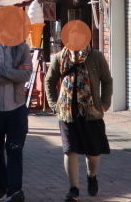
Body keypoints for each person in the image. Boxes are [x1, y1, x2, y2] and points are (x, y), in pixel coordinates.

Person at [45, 29, 113, 202]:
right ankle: (73, 188)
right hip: (67, 112)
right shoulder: (60, 57)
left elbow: (107, 80)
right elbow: (49, 81)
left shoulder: (96, 56)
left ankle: (92, 176)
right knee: (70, 150)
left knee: (93, 153)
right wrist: (54, 105)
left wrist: (104, 103)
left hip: (91, 112)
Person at [0, 21, 32, 202]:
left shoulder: (22, 47)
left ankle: (14, 190)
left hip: (16, 107)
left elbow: (26, 75)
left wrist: (0, 71)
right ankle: (0, 186)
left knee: (15, 149)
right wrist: (13, 73)